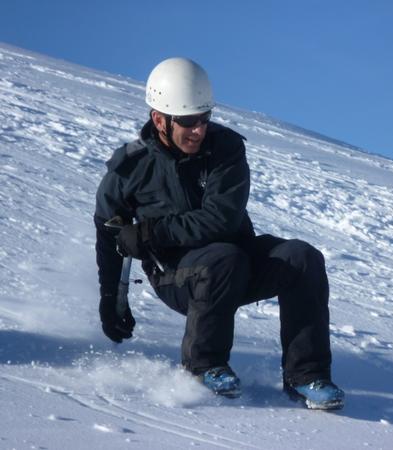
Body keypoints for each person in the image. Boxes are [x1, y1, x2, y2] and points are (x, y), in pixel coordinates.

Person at [94, 57, 344, 410]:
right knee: (223, 259)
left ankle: (306, 376)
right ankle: (203, 366)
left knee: (302, 258)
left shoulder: (225, 148)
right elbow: (109, 234)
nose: (199, 130)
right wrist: (111, 300)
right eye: (188, 121)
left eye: (205, 118)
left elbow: (221, 220)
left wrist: (150, 232)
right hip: (178, 277)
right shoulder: (130, 167)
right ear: (159, 119)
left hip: (236, 262)